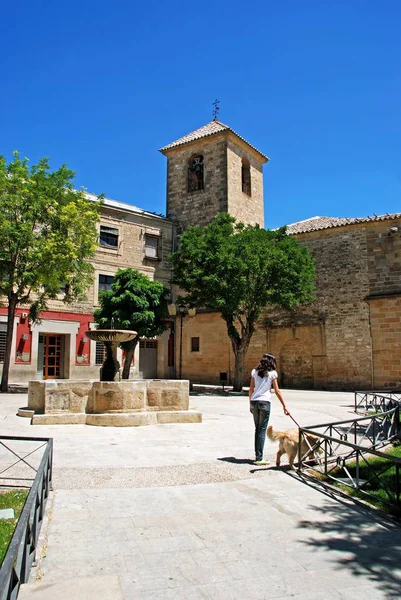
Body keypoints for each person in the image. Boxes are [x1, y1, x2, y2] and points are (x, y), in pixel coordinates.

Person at [248, 353, 289, 465]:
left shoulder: (254, 372)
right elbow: (277, 390)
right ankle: (259, 458)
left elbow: (251, 389)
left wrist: (250, 404)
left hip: (255, 402)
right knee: (261, 430)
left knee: (258, 429)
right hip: (265, 402)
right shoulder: (272, 373)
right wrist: (284, 406)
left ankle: (258, 455)